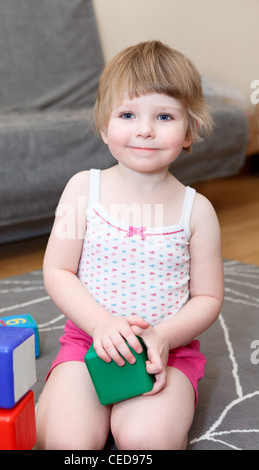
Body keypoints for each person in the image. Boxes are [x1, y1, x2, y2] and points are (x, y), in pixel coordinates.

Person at [36, 40, 224, 450]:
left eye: (164, 115)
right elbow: (58, 271)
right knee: (68, 441)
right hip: (87, 344)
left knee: (145, 439)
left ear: (190, 130)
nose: (145, 129)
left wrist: (164, 336)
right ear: (105, 125)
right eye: (127, 114)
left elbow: (207, 297)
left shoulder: (198, 211)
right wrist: (100, 324)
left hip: (167, 355)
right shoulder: (83, 190)